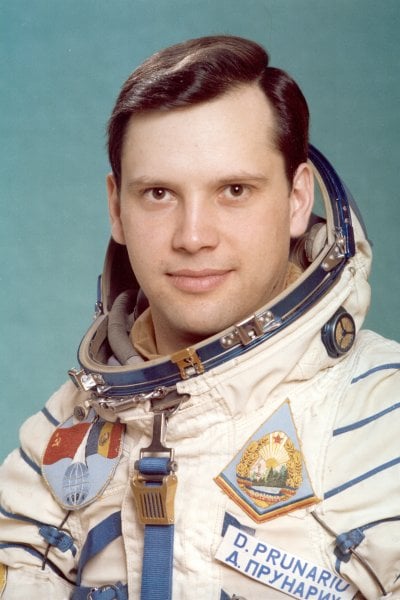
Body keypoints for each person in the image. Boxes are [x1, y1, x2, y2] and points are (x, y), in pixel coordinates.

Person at [0, 35, 399, 600]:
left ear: (296, 199)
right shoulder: (59, 440)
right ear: (117, 207)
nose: (192, 237)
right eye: (159, 194)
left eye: (234, 190)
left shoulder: (385, 428)